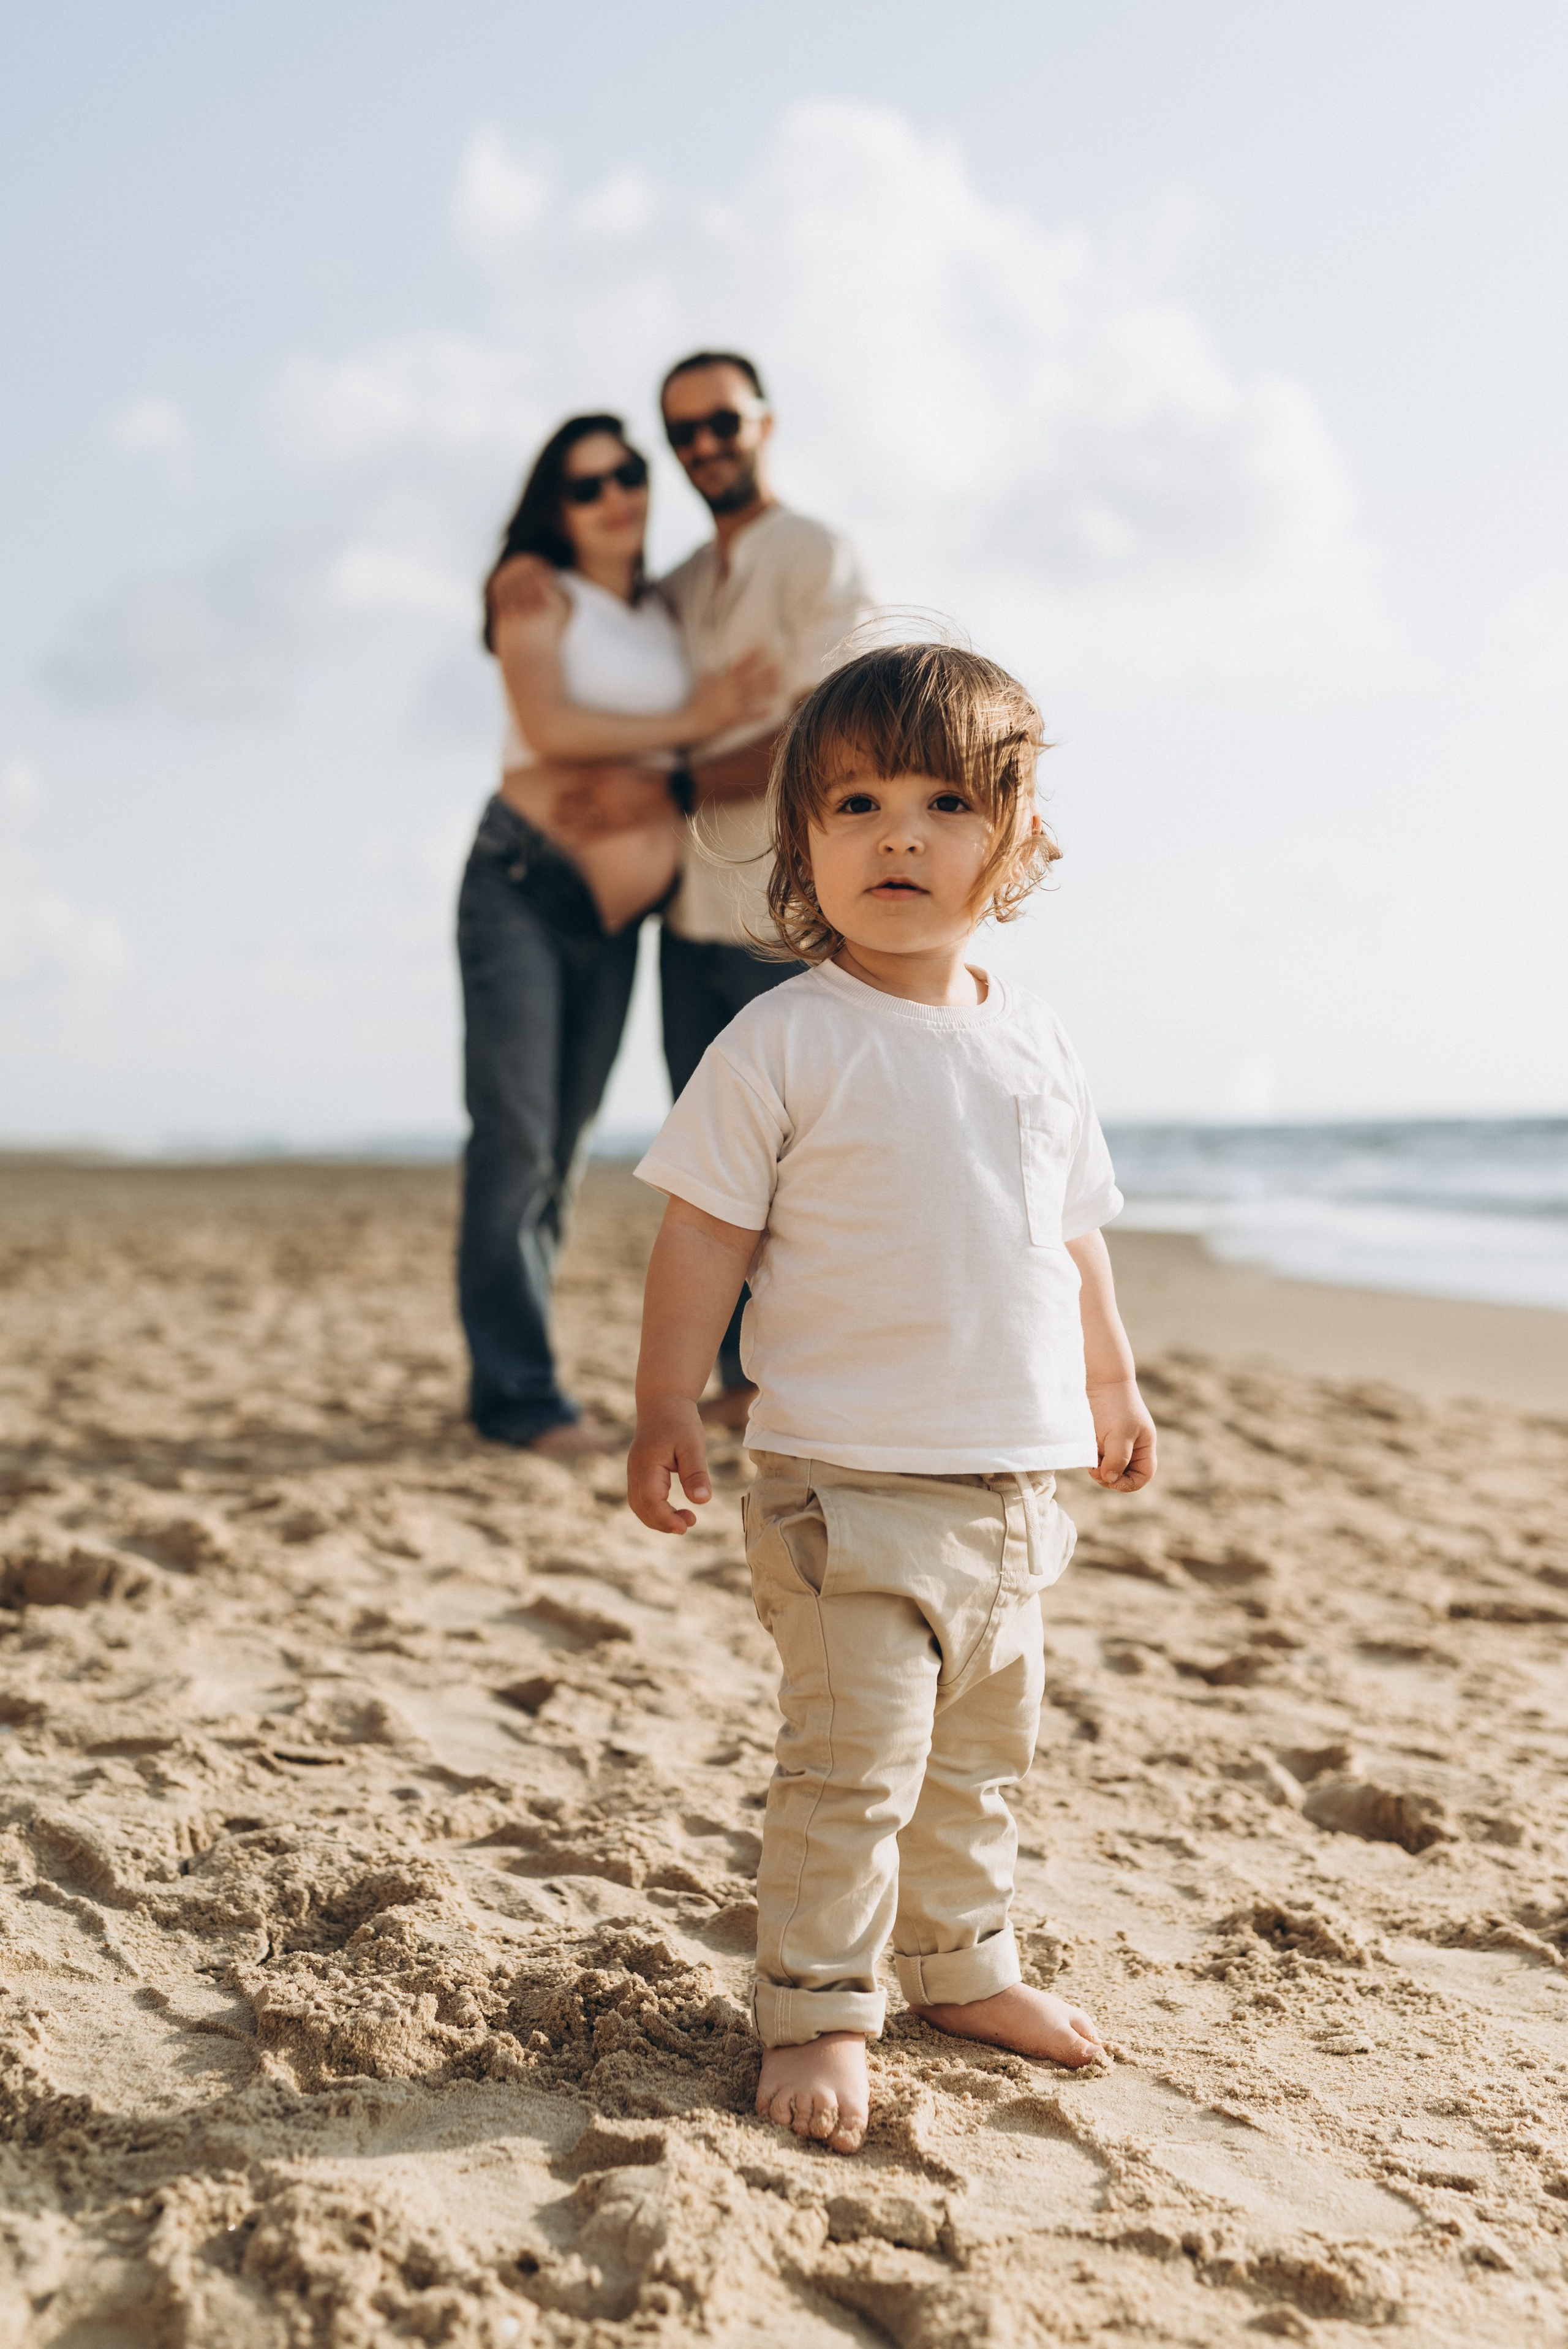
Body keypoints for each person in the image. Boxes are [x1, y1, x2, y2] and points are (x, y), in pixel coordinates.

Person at [626, 643, 1158, 2154]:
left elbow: (1071, 1233)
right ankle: (814, 2006)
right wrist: (669, 1397)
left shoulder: (1033, 1036)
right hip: (842, 1487)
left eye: (944, 802)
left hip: (1012, 1491)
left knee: (980, 1765)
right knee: (853, 1765)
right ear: (799, 845)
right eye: (853, 803)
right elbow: (702, 1230)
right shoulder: (785, 1038)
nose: (898, 835)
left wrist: (1107, 1383)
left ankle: (957, 1969)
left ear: (1020, 839)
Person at [458, 412, 774, 1454]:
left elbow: (676, 756)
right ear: (556, 504)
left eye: (629, 475)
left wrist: (674, 768)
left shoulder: (662, 612)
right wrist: (689, 730)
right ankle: (517, 1400)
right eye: (586, 485)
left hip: (618, 921)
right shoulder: (533, 589)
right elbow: (551, 728)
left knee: (561, 1152)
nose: (614, 497)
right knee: (514, 1142)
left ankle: (524, 1379)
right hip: (525, 885)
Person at [656, 352, 873, 1425]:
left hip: (782, 907)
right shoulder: (682, 587)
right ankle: (745, 1382)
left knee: (807, 1155)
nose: (703, 445)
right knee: (713, 1156)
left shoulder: (814, 553)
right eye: (682, 432)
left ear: (764, 423)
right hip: (685, 910)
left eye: (720, 423)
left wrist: (681, 767)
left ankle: (797, 1375)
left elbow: (816, 729)